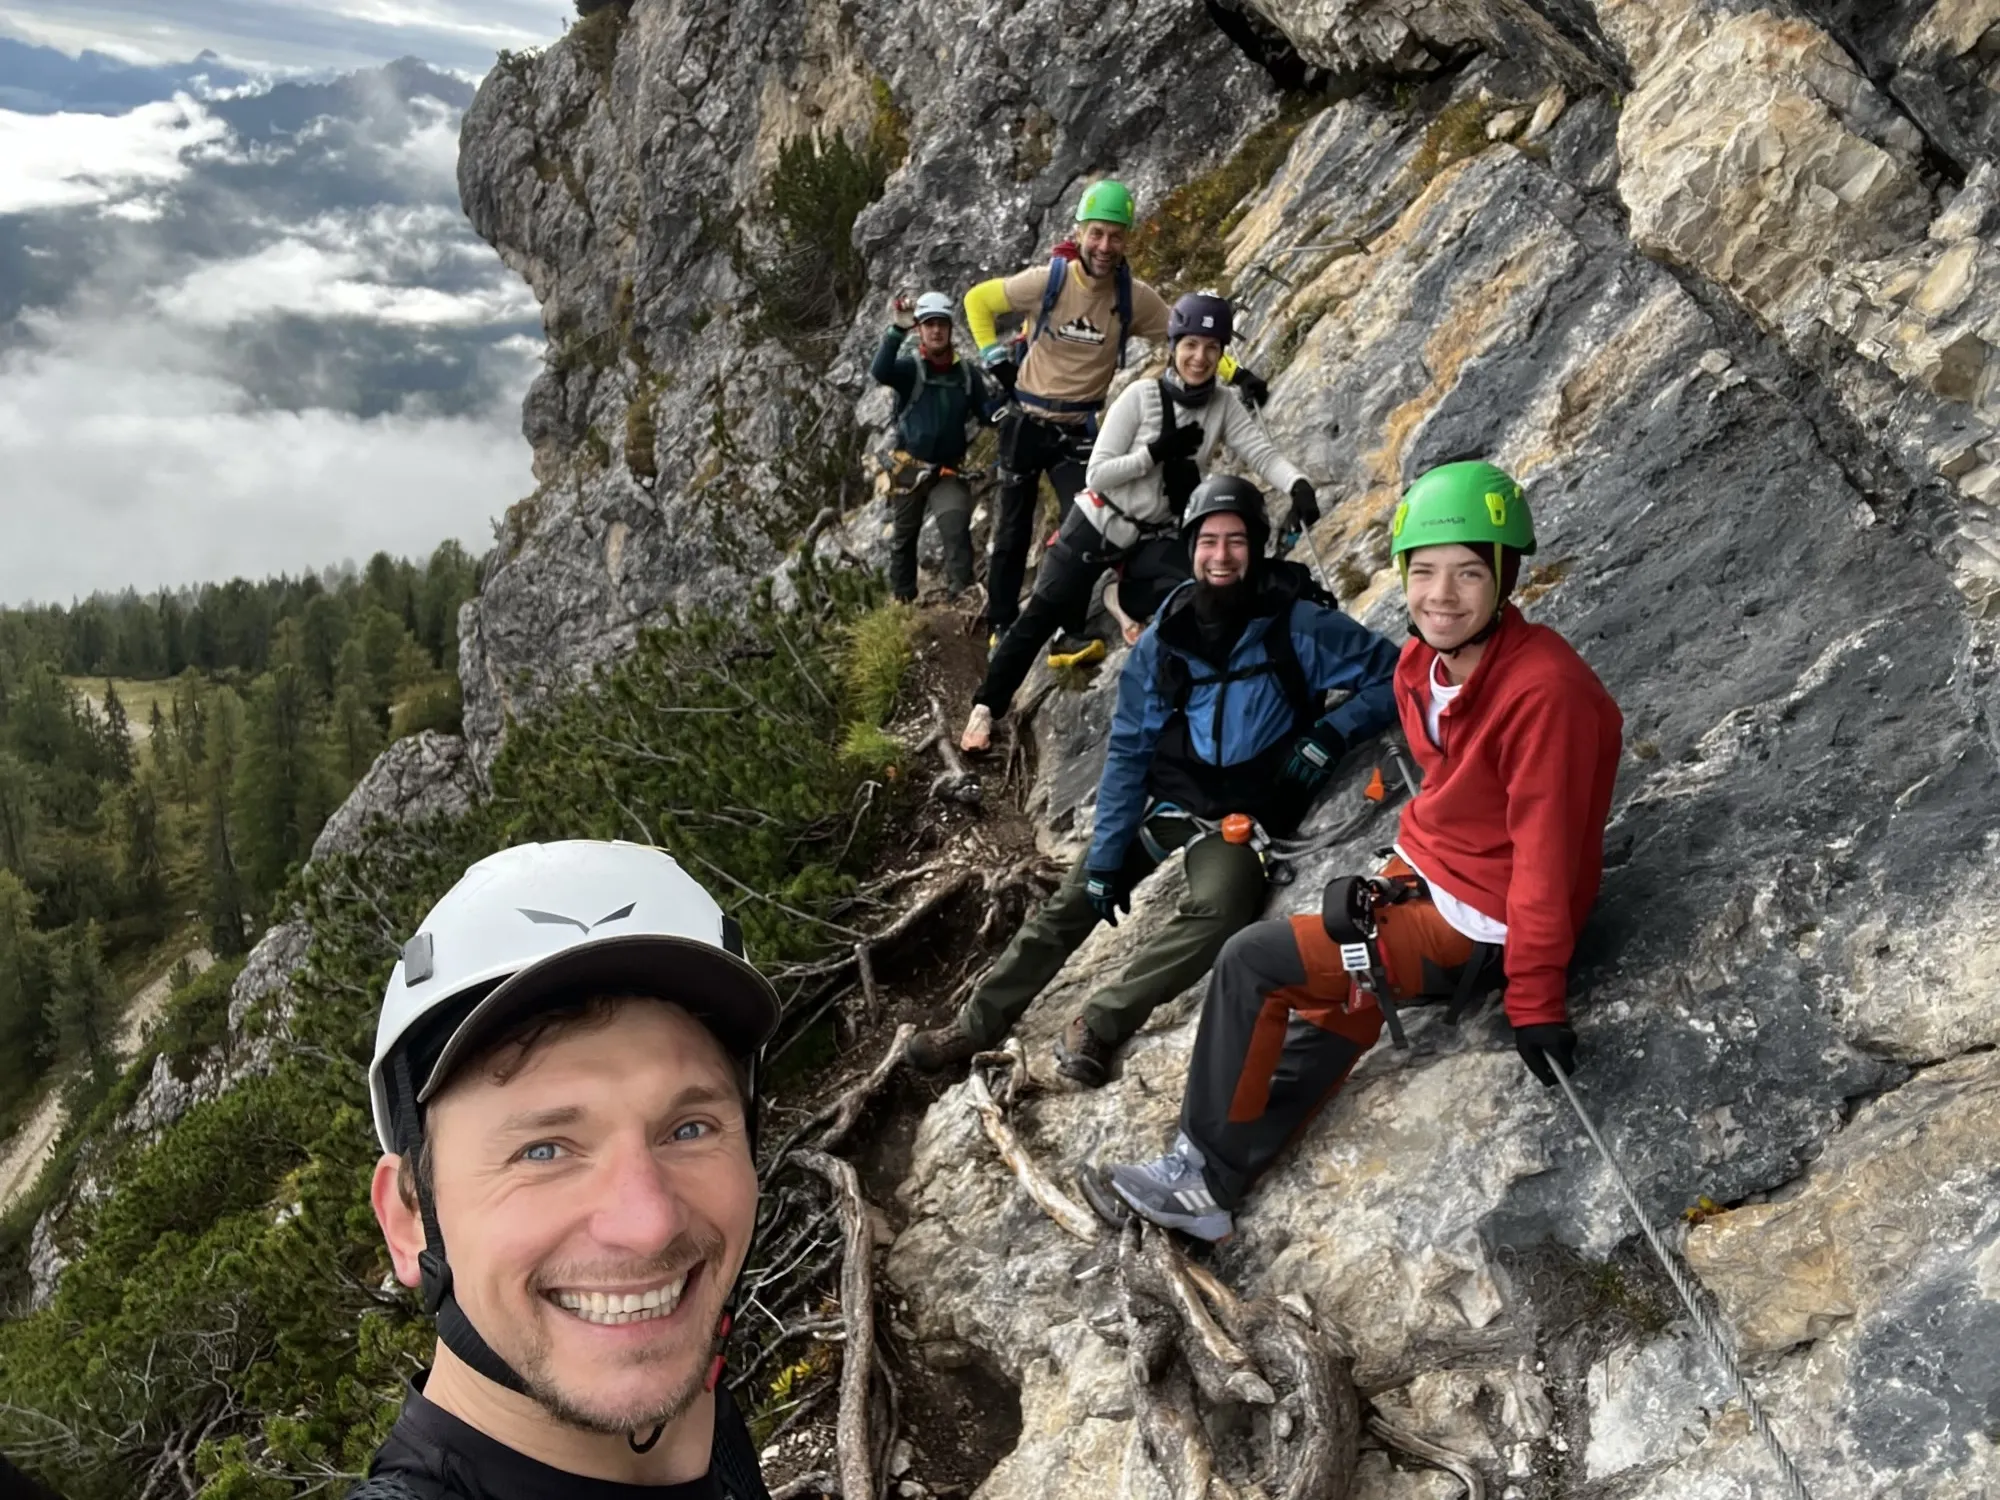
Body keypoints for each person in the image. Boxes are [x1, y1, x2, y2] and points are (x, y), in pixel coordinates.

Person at [1092, 462, 1623, 1242]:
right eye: (1425, 572)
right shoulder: (1422, 667)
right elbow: (1455, 786)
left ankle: (1198, 1170)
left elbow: (1545, 857)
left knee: (1251, 961)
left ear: (1505, 577)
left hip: (1481, 922)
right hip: (1434, 878)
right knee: (1342, 988)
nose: (1442, 595)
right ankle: (1221, 1179)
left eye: (1470, 573)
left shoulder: (1545, 693)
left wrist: (1536, 999)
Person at [908, 478, 1399, 1087]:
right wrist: (1106, 858)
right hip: (1169, 801)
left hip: (1241, 818)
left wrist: (1333, 731)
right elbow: (1130, 749)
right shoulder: (1166, 638)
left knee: (1220, 909)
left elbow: (1395, 675)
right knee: (1075, 898)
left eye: (1237, 541)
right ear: (1191, 549)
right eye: (1209, 541)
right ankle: (974, 1025)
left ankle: (1098, 1022)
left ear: (1257, 548)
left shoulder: (1299, 625)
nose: (1222, 556)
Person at [350, 840, 777, 1499]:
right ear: (408, 1220)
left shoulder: (700, 1421)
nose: (648, 1224)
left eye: (688, 1129)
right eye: (544, 1150)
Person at [960, 290, 1318, 753]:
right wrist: (1154, 453)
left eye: (1211, 348)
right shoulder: (1140, 397)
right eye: (1190, 345)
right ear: (1173, 346)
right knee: (1042, 615)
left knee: (1199, 585)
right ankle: (985, 707)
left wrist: (1298, 486)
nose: (1200, 357)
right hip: (1096, 524)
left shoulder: (1223, 405)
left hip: (1150, 537)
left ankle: (1121, 598)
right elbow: (1097, 474)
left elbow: (1261, 454)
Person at [962, 179, 1270, 647]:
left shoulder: (1133, 298)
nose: (1105, 246)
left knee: (1081, 528)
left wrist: (1237, 373)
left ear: (1127, 239)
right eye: (1097, 234)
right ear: (1080, 233)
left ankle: (1069, 632)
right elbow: (977, 301)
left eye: (1116, 236)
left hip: (1077, 431)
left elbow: (1186, 336)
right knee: (1011, 530)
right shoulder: (1049, 281)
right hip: (1026, 421)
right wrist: (994, 359)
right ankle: (1002, 627)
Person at [871, 290, 1001, 603]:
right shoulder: (909, 369)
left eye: (942, 324)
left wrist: (1009, 405)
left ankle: (962, 597)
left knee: (955, 529)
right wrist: (896, 330)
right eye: (929, 324)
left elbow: (987, 413)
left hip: (947, 470)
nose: (936, 330)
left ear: (950, 328)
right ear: (920, 330)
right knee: (904, 538)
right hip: (908, 468)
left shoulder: (967, 375)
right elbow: (880, 371)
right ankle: (903, 601)